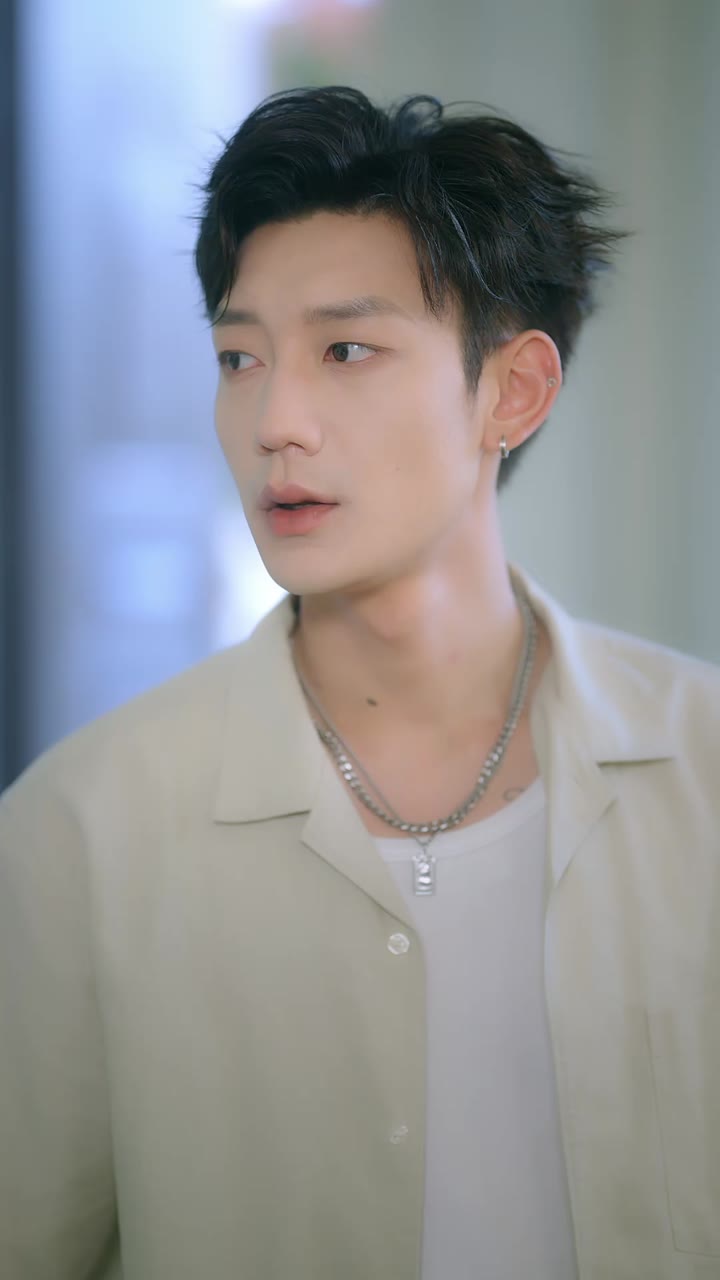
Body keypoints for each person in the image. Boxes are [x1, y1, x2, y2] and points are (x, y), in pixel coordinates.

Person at [1, 85, 718, 1280]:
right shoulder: (79, 829)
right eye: (240, 357)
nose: (275, 420)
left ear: (514, 390)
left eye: (346, 350)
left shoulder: (705, 773)